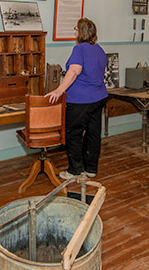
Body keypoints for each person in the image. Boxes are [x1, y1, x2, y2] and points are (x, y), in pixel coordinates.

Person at [45, 18, 108, 179]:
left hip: (81, 100)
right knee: (93, 134)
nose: (74, 32)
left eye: (76, 29)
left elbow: (74, 72)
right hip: (99, 98)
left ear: (81, 32)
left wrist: (59, 91)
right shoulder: (99, 50)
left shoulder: (79, 49)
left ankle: (75, 170)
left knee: (73, 134)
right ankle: (91, 169)